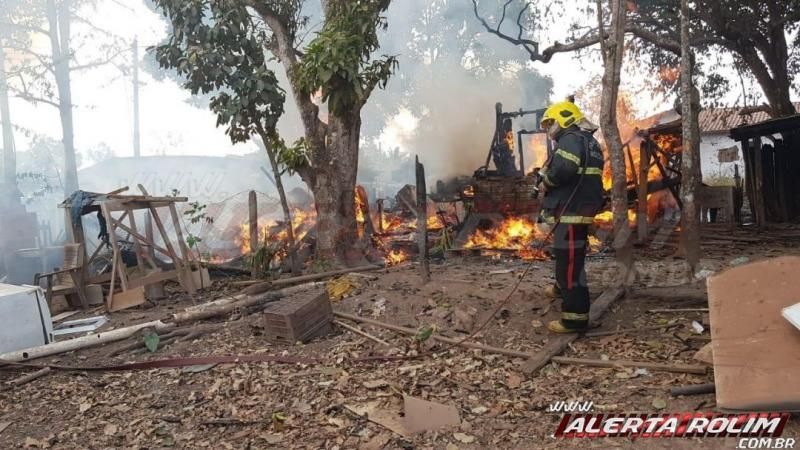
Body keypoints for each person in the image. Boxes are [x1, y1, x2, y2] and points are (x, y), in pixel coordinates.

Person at [538, 101, 605, 333]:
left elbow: (565, 168)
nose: (550, 128)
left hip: (571, 212)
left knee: (569, 265)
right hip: (579, 211)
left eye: (551, 123)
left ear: (564, 118)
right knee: (568, 256)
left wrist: (546, 182)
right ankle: (561, 288)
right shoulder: (589, 141)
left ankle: (574, 319)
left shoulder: (569, 139)